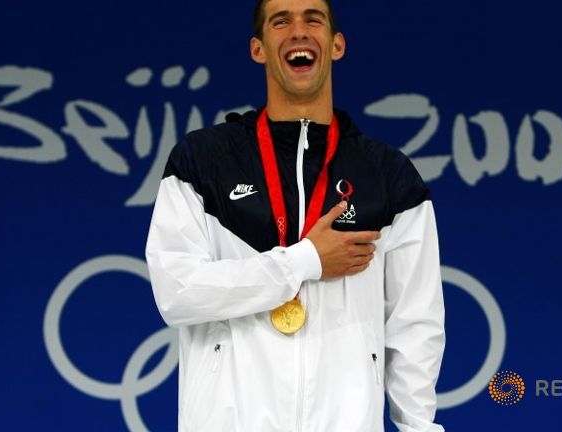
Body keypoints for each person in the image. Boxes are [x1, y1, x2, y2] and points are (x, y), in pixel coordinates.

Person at [145, 0, 446, 430]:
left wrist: (419, 428)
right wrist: (305, 261)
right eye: (281, 21)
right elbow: (177, 291)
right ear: (259, 49)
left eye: (313, 19)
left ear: (336, 45)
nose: (298, 31)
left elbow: (415, 324)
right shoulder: (204, 160)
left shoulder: (388, 175)